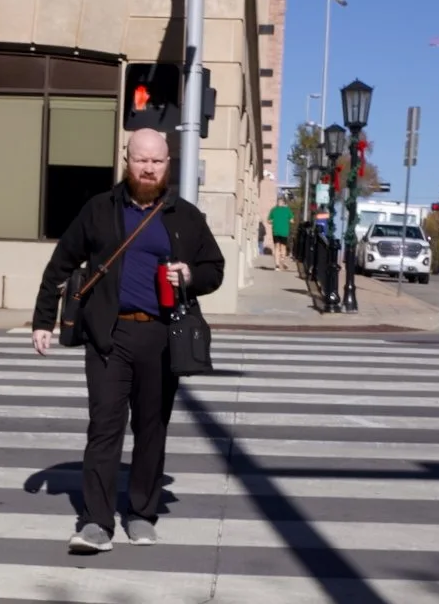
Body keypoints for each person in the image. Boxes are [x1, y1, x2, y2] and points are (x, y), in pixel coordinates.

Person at [30, 128, 225, 554]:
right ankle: (97, 522)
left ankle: (141, 513)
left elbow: (214, 268)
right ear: (127, 160)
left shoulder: (185, 216)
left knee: (152, 429)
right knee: (104, 428)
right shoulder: (100, 209)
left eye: (157, 161)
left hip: (160, 337)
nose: (149, 168)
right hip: (108, 335)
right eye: (141, 159)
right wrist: (43, 319)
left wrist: (190, 276)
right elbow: (61, 262)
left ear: (167, 164)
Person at [267, 197, 294, 271]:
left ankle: (277, 265)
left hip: (276, 231)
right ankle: (282, 260)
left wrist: (274, 221)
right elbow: (292, 220)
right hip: (284, 231)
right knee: (283, 247)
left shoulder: (273, 210)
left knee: (276, 247)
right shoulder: (287, 210)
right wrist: (287, 220)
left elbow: (269, 221)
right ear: (284, 203)